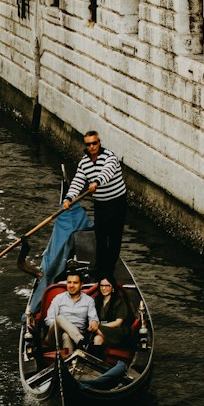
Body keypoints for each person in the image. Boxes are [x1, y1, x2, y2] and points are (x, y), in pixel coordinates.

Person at [62, 130, 127, 281]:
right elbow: (78, 181)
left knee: (114, 236)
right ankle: (99, 268)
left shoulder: (110, 157)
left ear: (99, 143)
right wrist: (68, 198)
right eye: (88, 144)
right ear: (85, 145)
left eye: (94, 143)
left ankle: (109, 270)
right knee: (101, 236)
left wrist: (97, 182)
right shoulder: (84, 163)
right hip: (101, 203)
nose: (92, 146)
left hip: (117, 201)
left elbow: (107, 171)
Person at [43, 270, 99, 355]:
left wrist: (94, 321)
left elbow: (93, 318)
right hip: (55, 336)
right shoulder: (59, 298)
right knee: (59, 318)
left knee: (66, 335)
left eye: (75, 283)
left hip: (74, 336)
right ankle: (80, 341)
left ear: (81, 285)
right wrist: (67, 326)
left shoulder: (89, 300)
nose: (71, 286)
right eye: (69, 282)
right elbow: (48, 320)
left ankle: (68, 364)